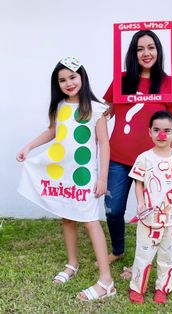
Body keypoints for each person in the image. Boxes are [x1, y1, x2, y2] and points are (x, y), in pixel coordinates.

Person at [16, 57, 116, 300]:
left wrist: (102, 178)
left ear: (82, 77)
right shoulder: (60, 106)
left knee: (91, 222)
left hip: (84, 177)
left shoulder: (96, 108)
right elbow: (53, 131)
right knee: (67, 218)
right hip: (63, 174)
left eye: (72, 76)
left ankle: (106, 280)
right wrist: (29, 146)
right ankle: (72, 263)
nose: (68, 83)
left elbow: (104, 143)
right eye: (62, 80)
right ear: (57, 84)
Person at [103, 30, 172, 270]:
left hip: (153, 162)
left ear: (158, 51)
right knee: (113, 210)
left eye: (151, 47)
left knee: (152, 212)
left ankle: (147, 256)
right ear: (132, 53)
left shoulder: (169, 82)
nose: (146, 53)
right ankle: (118, 249)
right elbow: (104, 113)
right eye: (140, 48)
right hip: (118, 158)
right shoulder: (122, 80)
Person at [128, 110, 172, 304]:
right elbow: (138, 182)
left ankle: (162, 288)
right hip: (149, 219)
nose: (161, 135)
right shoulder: (144, 158)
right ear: (150, 132)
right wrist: (140, 202)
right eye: (156, 130)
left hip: (170, 219)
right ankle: (137, 288)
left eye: (167, 130)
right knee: (144, 254)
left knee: (168, 255)